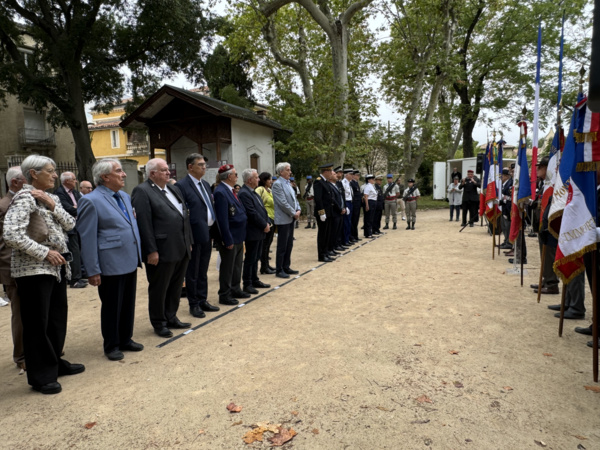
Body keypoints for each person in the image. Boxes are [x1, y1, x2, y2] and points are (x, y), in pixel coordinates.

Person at [4, 155, 84, 394]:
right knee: (38, 324)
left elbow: (71, 225)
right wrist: (44, 253)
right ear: (33, 174)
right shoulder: (24, 198)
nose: (55, 175)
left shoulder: (48, 198)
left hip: (55, 269)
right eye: (50, 170)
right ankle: (41, 376)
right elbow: (11, 234)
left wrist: (52, 204)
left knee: (56, 320)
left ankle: (55, 364)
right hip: (34, 270)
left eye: (55, 170)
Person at [77, 158, 144, 362]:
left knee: (127, 303)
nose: (123, 174)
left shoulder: (123, 196)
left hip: (129, 258)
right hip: (109, 262)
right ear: (105, 177)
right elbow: (87, 238)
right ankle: (112, 344)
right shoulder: (91, 200)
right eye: (119, 171)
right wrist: (92, 269)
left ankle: (125, 338)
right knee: (112, 306)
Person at [132, 159, 193, 338]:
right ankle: (159, 322)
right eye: (164, 170)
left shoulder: (173, 189)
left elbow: (184, 216)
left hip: (180, 246)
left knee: (175, 285)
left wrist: (188, 240)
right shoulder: (142, 191)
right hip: (161, 249)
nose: (169, 173)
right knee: (160, 287)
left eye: (168, 169)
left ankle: (171, 316)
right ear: (152, 174)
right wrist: (151, 250)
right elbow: (144, 223)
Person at [175, 154, 220, 319]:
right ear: (190, 167)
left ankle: (202, 299)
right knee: (192, 272)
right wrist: (187, 239)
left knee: (203, 270)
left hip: (207, 233)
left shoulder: (206, 184)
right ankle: (193, 304)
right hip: (193, 235)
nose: (204, 167)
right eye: (200, 164)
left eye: (204, 164)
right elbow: (181, 215)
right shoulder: (181, 186)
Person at [0, 167, 26, 370]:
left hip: (30, 266)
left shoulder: (26, 199)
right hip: (12, 268)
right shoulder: (4, 205)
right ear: (15, 182)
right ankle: (21, 356)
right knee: (20, 313)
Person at [212, 164, 248, 304]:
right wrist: (227, 239)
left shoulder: (230, 190)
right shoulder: (221, 192)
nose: (237, 176)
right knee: (227, 267)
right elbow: (222, 219)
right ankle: (225, 294)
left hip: (238, 234)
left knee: (237, 265)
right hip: (230, 236)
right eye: (235, 174)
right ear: (229, 176)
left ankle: (235, 288)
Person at [238, 168, 272, 294]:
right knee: (250, 258)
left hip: (259, 230)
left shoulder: (253, 192)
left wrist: (267, 221)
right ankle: (247, 283)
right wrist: (264, 224)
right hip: (252, 230)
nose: (259, 179)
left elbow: (261, 209)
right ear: (250, 180)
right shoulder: (244, 193)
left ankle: (254, 279)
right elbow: (251, 213)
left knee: (256, 256)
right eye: (257, 177)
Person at [54, 171, 87, 289]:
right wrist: (76, 208)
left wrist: (77, 208)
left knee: (80, 250)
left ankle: (80, 274)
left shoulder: (76, 193)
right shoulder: (59, 193)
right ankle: (74, 279)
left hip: (79, 225)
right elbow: (68, 210)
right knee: (73, 251)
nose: (76, 181)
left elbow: (84, 206)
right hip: (69, 228)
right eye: (74, 179)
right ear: (67, 181)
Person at [272, 162, 301, 278]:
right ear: (281, 172)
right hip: (284, 218)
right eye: (288, 170)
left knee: (289, 244)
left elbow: (294, 199)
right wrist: (294, 213)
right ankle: (279, 269)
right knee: (282, 245)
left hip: (291, 217)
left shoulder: (288, 183)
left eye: (290, 170)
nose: (290, 172)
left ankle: (286, 266)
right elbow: (282, 203)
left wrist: (298, 209)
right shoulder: (277, 184)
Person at [314, 163, 335, 262]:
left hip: (329, 212)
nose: (331, 173)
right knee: (323, 234)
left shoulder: (325, 182)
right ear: (325, 172)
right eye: (330, 171)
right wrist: (321, 212)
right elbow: (318, 199)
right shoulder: (318, 182)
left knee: (328, 234)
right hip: (323, 213)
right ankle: (321, 255)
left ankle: (326, 252)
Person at [256, 172, 276, 274]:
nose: (271, 181)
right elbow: (257, 203)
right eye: (269, 179)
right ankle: (264, 267)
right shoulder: (260, 190)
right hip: (266, 218)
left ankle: (267, 264)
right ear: (264, 180)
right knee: (264, 245)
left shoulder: (270, 190)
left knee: (268, 244)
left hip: (272, 218)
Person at [499, 169, 512, 247]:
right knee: (504, 226)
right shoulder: (504, 184)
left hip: (508, 207)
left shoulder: (509, 184)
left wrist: (503, 198)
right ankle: (506, 240)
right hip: (504, 207)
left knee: (507, 226)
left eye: (502, 176)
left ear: (507, 176)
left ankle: (508, 242)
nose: (501, 178)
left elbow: (510, 197)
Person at [341, 169, 354, 244]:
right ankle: (345, 240)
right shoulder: (343, 183)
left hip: (350, 202)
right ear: (346, 175)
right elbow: (343, 195)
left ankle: (348, 238)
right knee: (346, 222)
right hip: (346, 202)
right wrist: (345, 206)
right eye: (350, 174)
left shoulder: (349, 183)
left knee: (349, 222)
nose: (352, 176)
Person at [350, 170, 362, 242]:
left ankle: (355, 235)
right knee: (353, 220)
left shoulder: (356, 183)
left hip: (358, 204)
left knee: (356, 220)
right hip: (354, 204)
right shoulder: (351, 183)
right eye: (357, 175)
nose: (358, 177)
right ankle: (352, 236)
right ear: (353, 175)